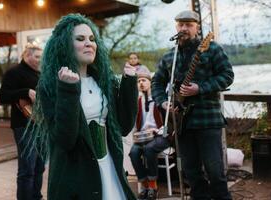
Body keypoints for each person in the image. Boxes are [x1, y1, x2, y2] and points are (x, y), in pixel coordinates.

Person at [28, 14, 138, 200]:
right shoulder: (51, 87)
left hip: (110, 168)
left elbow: (124, 126)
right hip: (75, 177)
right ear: (65, 45)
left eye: (92, 39)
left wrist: (128, 84)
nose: (89, 43)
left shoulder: (104, 81)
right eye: (80, 39)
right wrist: (68, 89)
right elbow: (65, 139)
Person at [151, 10, 234, 200]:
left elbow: (227, 76)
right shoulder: (169, 57)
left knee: (215, 171)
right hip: (182, 123)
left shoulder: (212, 49)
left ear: (197, 27)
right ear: (176, 27)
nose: (184, 28)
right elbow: (157, 83)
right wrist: (163, 102)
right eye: (180, 24)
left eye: (189, 25)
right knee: (191, 173)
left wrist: (201, 88)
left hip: (207, 119)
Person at [0, 44, 45, 200]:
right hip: (23, 127)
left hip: (41, 126)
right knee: (27, 170)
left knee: (39, 167)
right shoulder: (14, 72)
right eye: (37, 56)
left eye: (41, 56)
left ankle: (36, 197)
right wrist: (26, 91)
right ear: (27, 55)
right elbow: (3, 96)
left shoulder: (39, 73)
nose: (40, 60)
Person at [129, 72, 171, 200]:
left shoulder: (159, 99)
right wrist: (137, 133)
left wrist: (157, 130)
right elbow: (137, 125)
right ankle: (145, 185)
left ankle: (153, 186)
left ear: (150, 83)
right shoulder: (138, 102)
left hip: (161, 136)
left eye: (144, 80)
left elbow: (169, 122)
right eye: (138, 81)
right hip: (144, 137)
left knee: (149, 149)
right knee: (134, 153)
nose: (141, 83)